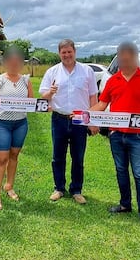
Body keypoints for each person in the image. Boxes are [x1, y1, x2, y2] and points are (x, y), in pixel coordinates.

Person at [91, 41, 140, 230]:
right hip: (116, 135)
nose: (125, 59)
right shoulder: (112, 81)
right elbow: (101, 105)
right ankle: (125, 204)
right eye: (121, 56)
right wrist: (83, 114)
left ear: (134, 56)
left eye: (128, 56)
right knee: (121, 171)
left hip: (138, 136)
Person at [40, 39, 98, 204]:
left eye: (69, 52)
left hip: (80, 120)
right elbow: (43, 97)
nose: (66, 55)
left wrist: (93, 121)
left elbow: (93, 96)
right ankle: (59, 188)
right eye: (63, 52)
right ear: (59, 54)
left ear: (75, 52)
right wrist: (49, 93)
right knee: (58, 156)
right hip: (59, 118)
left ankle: (76, 190)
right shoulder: (52, 72)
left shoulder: (87, 71)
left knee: (78, 157)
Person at [0, 48, 34, 210]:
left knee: (14, 155)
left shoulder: (26, 80)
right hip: (2, 123)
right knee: (2, 158)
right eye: (11, 61)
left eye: (18, 61)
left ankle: (9, 186)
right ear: (6, 62)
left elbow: (31, 102)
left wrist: (44, 105)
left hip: (20, 123)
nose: (14, 64)